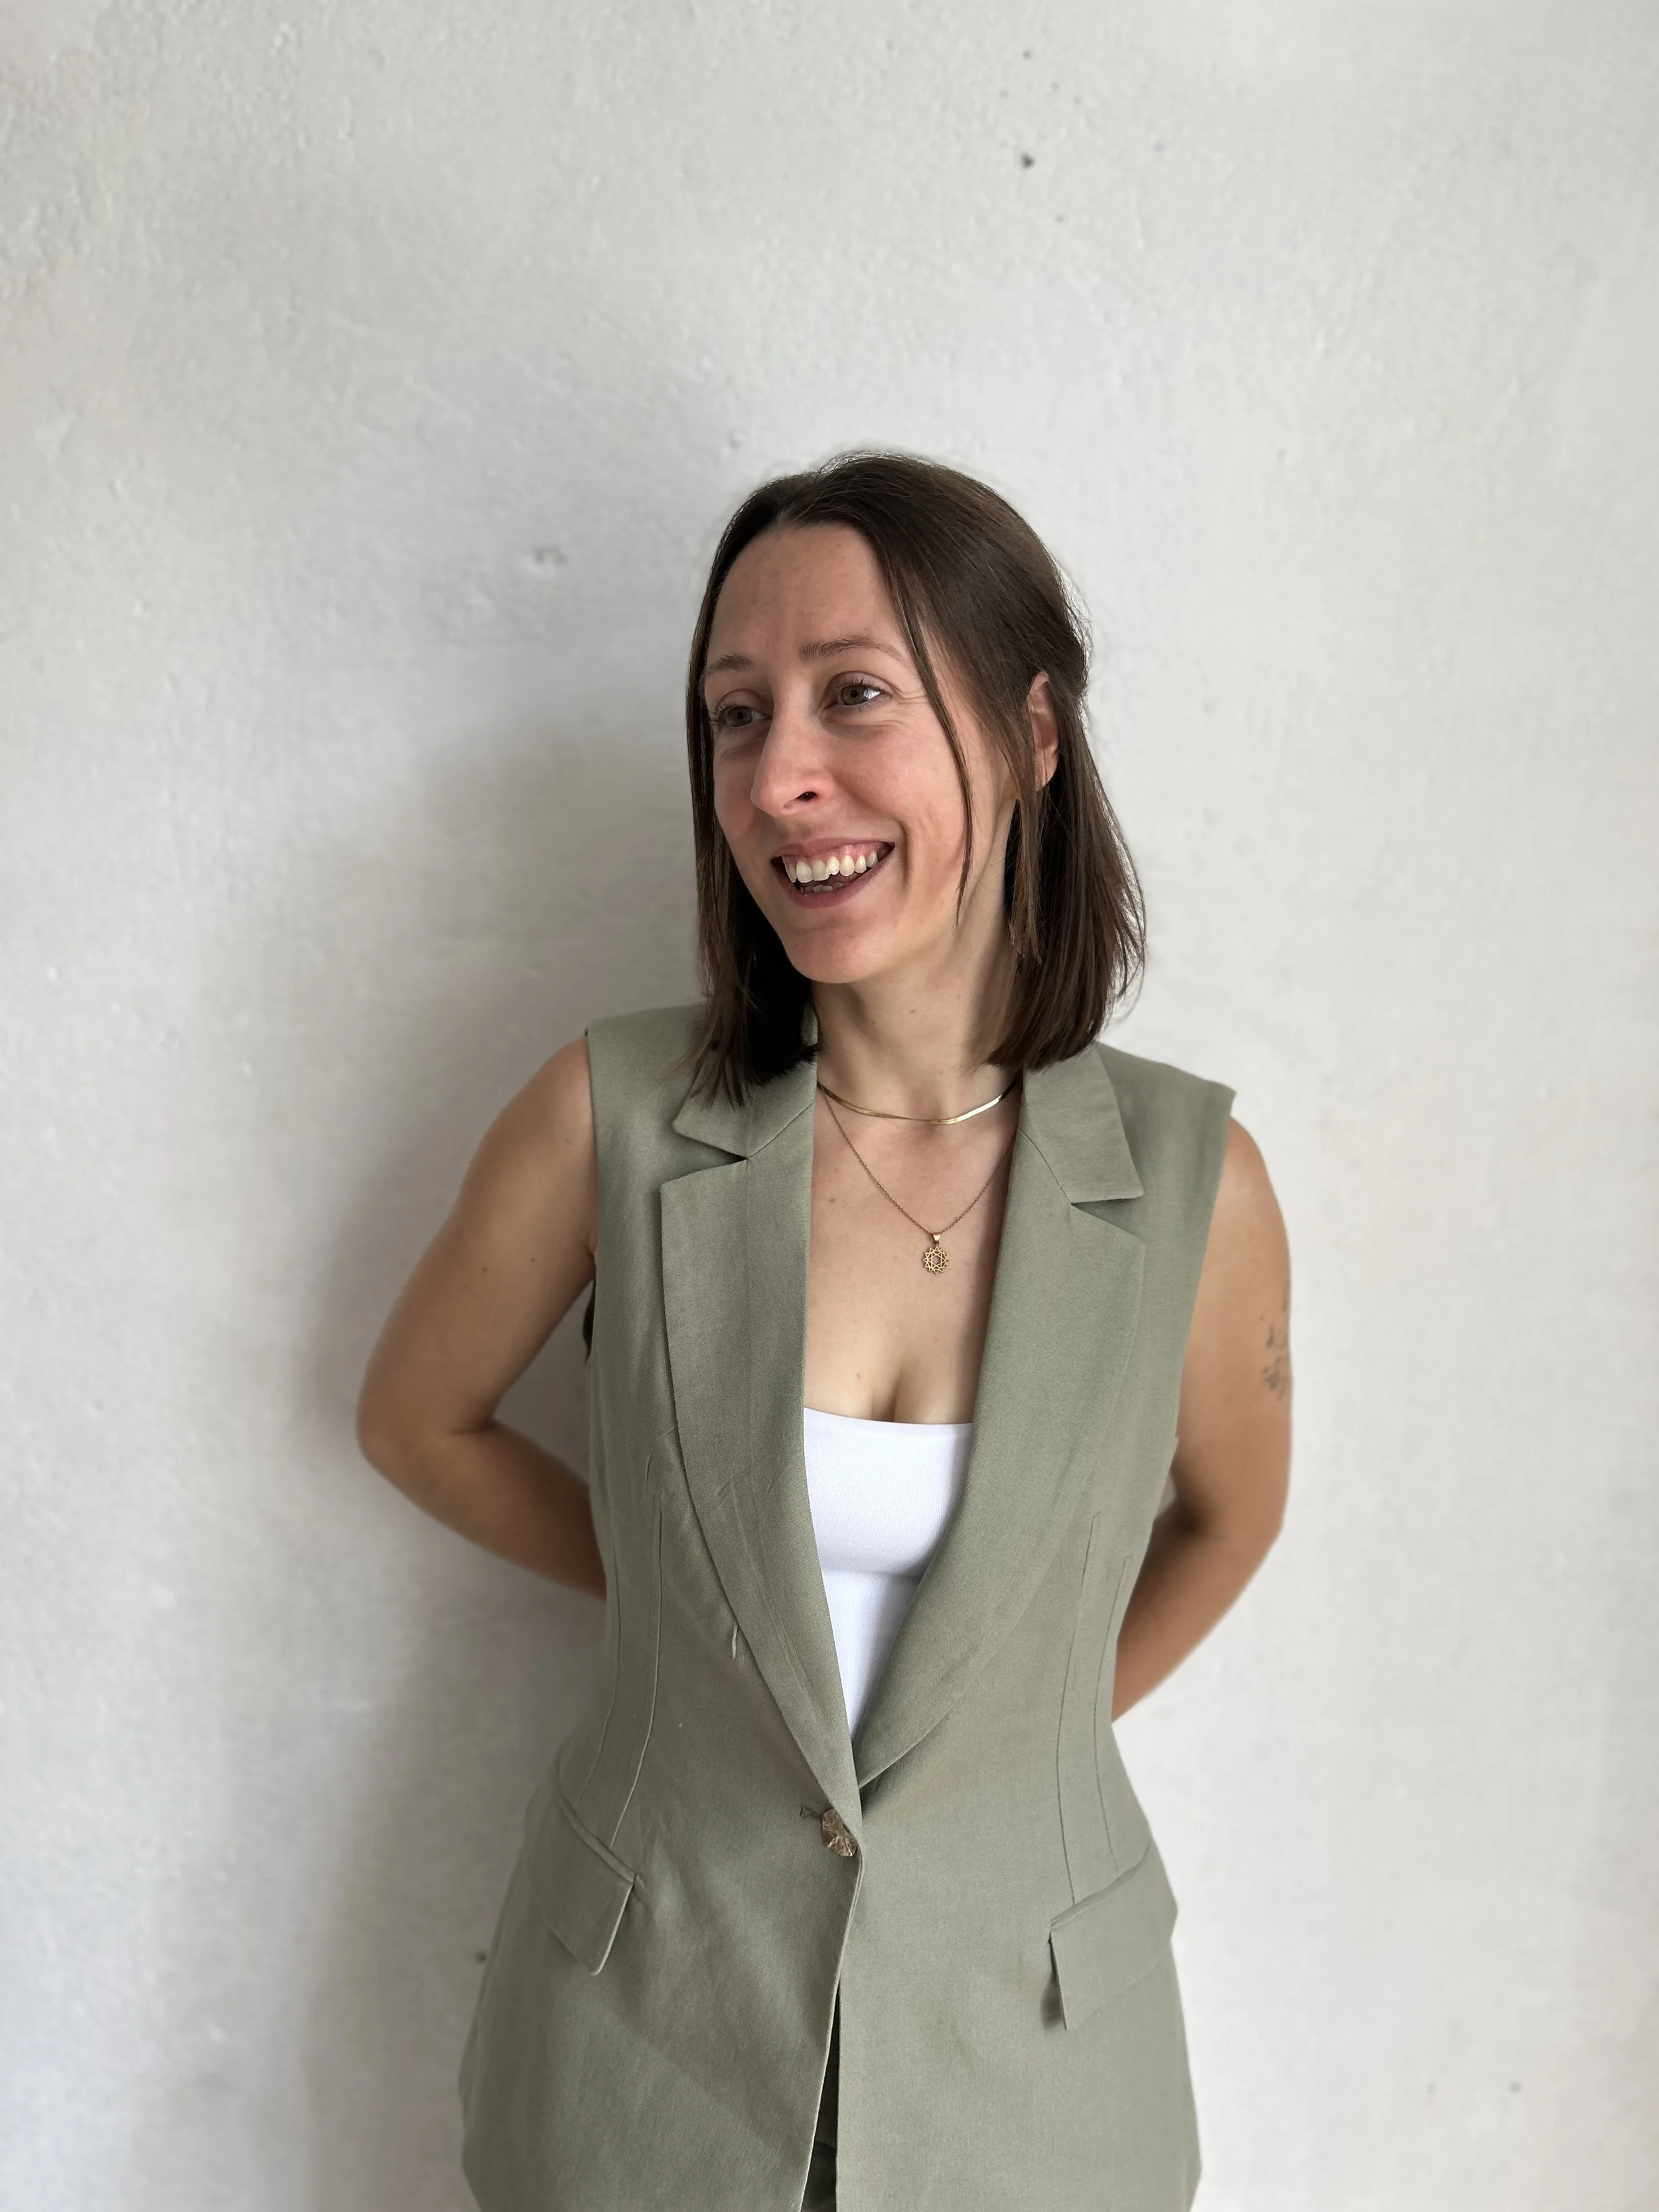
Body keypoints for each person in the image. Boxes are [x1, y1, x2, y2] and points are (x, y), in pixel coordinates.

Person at [356, 451, 1292, 2212]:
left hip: (1036, 2065)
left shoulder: (1192, 1182)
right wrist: (694, 1630)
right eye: (734, 716)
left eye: (853, 693)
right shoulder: (608, 1120)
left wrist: (1016, 1747)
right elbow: (417, 1420)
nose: (779, 776)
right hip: (643, 2036)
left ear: (1029, 735)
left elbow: (1229, 1516)